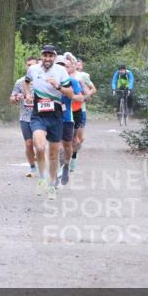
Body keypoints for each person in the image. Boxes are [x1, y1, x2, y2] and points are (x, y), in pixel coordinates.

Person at [23, 45, 76, 199]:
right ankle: (42, 178)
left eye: (50, 56)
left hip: (56, 116)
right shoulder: (33, 70)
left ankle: (52, 185)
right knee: (39, 147)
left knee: (53, 154)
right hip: (38, 114)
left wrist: (58, 86)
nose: (47, 59)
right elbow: (26, 82)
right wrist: (27, 94)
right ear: (41, 56)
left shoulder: (61, 71)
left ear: (54, 57)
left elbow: (71, 93)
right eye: (45, 56)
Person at [53, 57, 84, 187]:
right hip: (51, 117)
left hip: (67, 117)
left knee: (67, 145)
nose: (61, 68)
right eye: (58, 65)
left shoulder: (72, 81)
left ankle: (66, 165)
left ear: (67, 69)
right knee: (55, 146)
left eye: (64, 66)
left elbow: (81, 97)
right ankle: (54, 174)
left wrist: (70, 95)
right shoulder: (48, 81)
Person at [9, 55, 39, 177]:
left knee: (39, 142)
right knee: (28, 144)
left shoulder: (42, 80)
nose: (31, 67)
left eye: (33, 65)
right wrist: (17, 98)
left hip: (40, 117)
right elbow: (11, 99)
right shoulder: (20, 82)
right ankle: (32, 168)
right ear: (26, 66)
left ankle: (40, 155)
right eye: (29, 65)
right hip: (25, 117)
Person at [65, 53, 95, 171]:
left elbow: (89, 92)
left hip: (79, 110)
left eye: (70, 64)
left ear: (74, 65)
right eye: (65, 64)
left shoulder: (81, 77)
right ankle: (63, 160)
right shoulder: (59, 76)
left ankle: (73, 157)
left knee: (77, 138)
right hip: (64, 111)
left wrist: (82, 96)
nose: (67, 67)